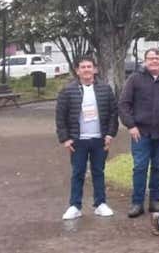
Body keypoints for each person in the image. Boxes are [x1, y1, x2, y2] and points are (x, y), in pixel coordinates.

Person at [118, 48, 159, 218]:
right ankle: (137, 203)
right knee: (140, 167)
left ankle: (155, 201)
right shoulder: (135, 79)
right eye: (151, 58)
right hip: (140, 132)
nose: (154, 61)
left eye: (158, 58)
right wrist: (131, 125)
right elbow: (124, 104)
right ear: (145, 61)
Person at [56, 57, 119, 220]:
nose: (86, 70)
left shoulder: (105, 89)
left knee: (99, 171)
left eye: (89, 67)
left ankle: (100, 204)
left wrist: (110, 134)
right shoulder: (68, 90)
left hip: (99, 139)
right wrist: (65, 138)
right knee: (78, 172)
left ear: (95, 69)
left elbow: (113, 113)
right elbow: (60, 116)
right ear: (77, 71)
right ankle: (75, 205)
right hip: (78, 140)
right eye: (82, 67)